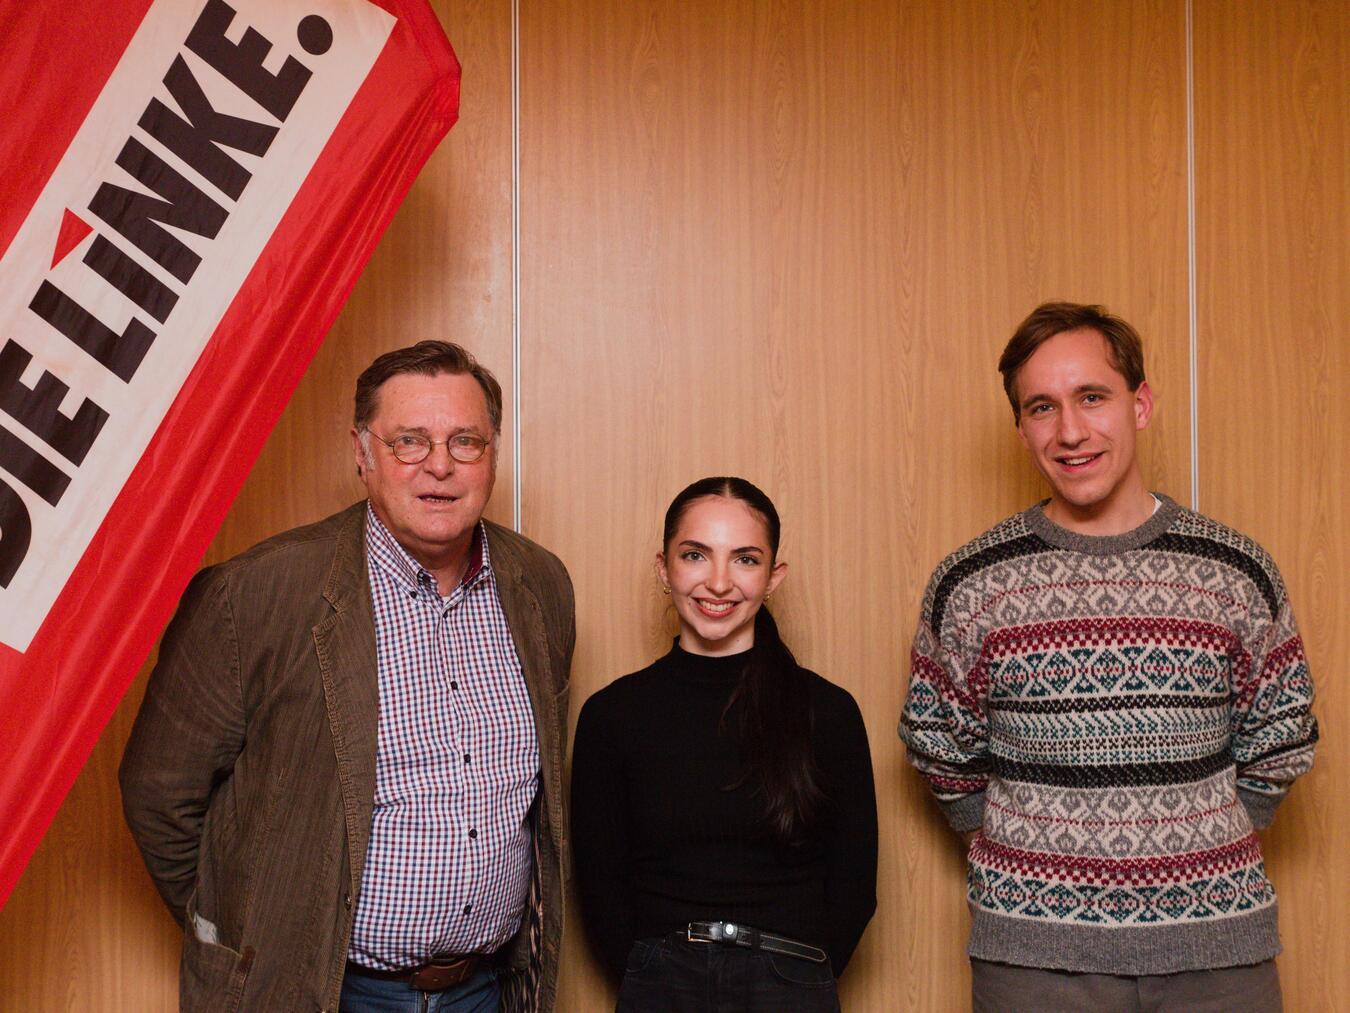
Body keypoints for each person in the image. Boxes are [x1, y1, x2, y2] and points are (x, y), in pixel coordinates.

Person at [120, 341, 575, 1013]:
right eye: (410, 442)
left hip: (485, 990)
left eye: (466, 441)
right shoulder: (257, 593)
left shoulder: (540, 584)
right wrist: (250, 926)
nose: (440, 466)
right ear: (362, 454)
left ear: (493, 455)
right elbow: (160, 790)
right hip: (323, 991)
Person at [900, 303, 1318, 1012]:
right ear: (1022, 427)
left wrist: (1196, 848)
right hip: (1032, 963)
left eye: (1092, 397)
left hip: (1217, 957)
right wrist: (1015, 854)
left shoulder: (1233, 568)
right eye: (1042, 407)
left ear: (1141, 403)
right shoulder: (972, 581)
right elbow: (939, 745)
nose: (1069, 431)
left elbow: (1282, 735)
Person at [571, 477, 878, 1012]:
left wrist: (801, 976)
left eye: (744, 559)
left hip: (792, 982)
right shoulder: (612, 714)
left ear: (773, 576)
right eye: (695, 555)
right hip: (661, 984)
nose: (718, 583)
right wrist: (650, 976)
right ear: (664, 568)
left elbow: (854, 881)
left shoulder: (827, 712)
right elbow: (599, 885)